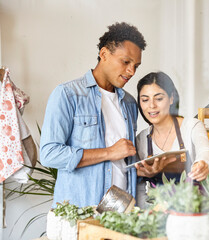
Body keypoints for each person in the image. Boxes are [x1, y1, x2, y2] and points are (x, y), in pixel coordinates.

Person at [40, 22, 146, 208]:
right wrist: (109, 152)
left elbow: (123, 159)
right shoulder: (68, 94)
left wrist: (142, 167)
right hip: (81, 211)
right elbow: (50, 154)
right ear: (104, 54)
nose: (132, 72)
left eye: (136, 65)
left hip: (121, 212)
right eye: (126, 62)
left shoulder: (129, 103)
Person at [135, 72, 209, 207]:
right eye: (145, 100)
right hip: (159, 213)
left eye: (159, 98)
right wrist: (146, 215)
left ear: (171, 98)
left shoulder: (192, 126)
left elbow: (205, 151)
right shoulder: (142, 139)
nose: (152, 105)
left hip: (196, 208)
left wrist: (203, 164)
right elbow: (140, 188)